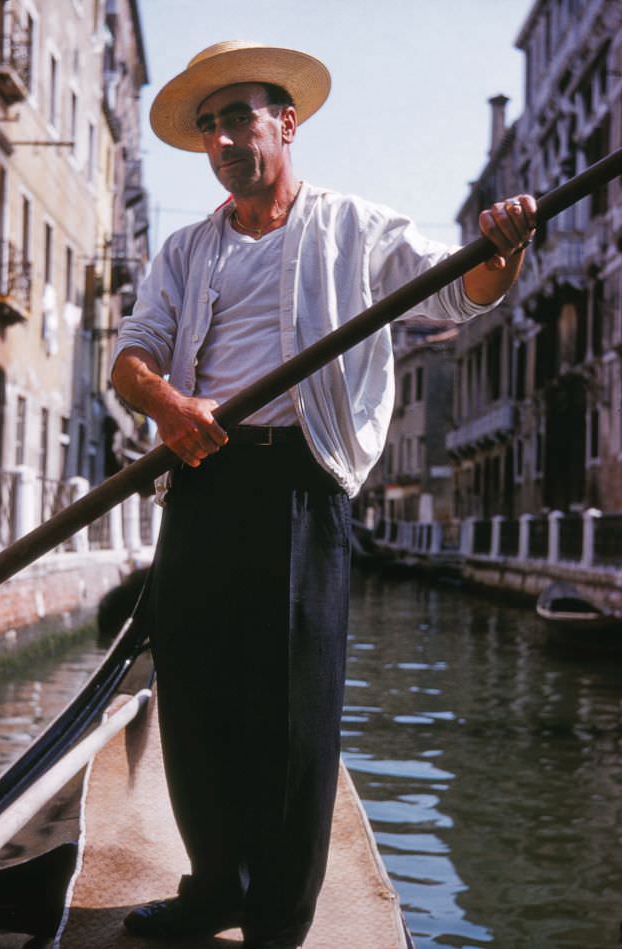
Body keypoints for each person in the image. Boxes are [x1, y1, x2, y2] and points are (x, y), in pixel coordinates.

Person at [111, 40, 537, 949]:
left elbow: (461, 293)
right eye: (211, 125)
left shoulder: (355, 228)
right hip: (200, 473)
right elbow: (133, 354)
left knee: (293, 707)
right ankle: (215, 884)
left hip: (301, 479)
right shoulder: (187, 250)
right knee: (194, 690)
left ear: (287, 122)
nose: (224, 137)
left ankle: (278, 918)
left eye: (240, 117)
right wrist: (170, 403)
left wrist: (502, 250)